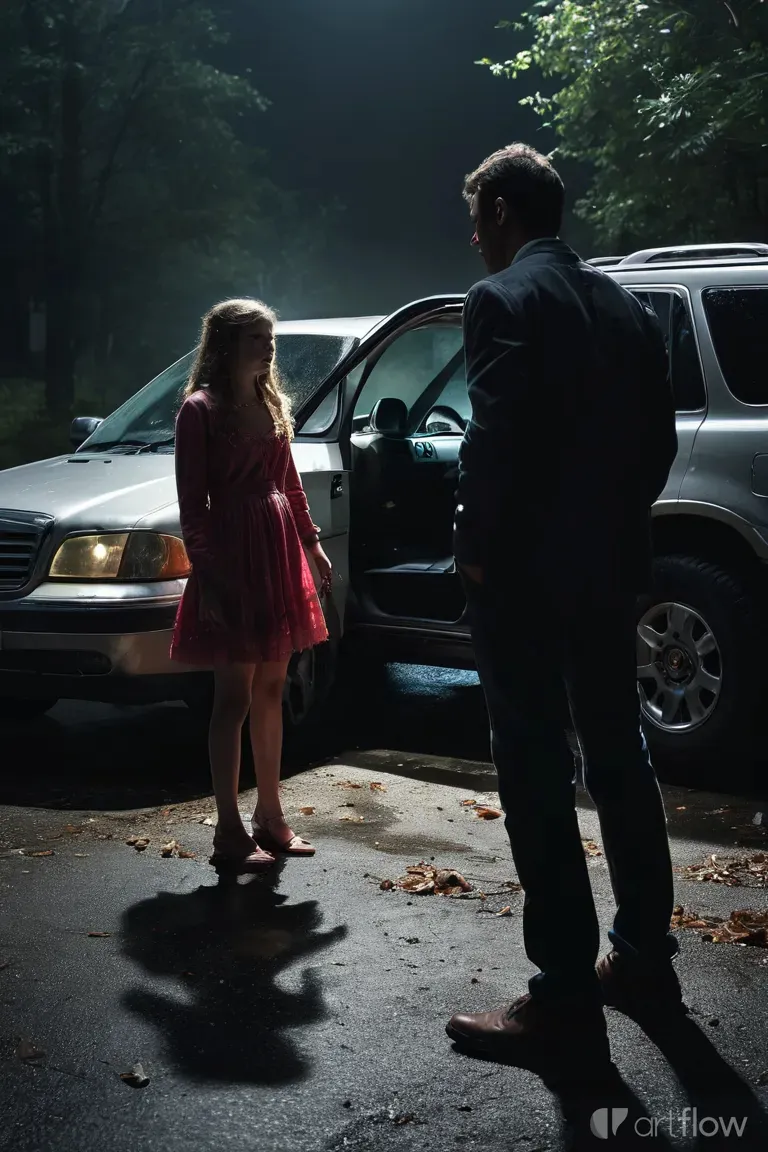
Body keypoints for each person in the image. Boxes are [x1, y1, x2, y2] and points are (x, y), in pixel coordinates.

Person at [446, 145, 681, 1077]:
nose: (472, 235)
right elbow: (656, 442)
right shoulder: (627, 305)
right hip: (608, 572)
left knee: (537, 772)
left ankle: (562, 995)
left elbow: (496, 442)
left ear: (505, 209)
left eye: (476, 216)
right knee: (620, 754)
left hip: (524, 583)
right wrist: (613, 526)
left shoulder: (502, 299)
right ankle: (642, 958)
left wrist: (472, 549)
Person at [171, 298, 332, 871]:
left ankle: (270, 813)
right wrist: (209, 576)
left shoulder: (269, 400)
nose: (268, 347)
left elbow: (288, 484)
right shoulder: (201, 409)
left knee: (271, 689)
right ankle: (229, 830)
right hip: (234, 555)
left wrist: (310, 544)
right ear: (226, 345)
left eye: (271, 338)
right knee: (233, 697)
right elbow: (192, 504)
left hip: (276, 551)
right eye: (257, 338)